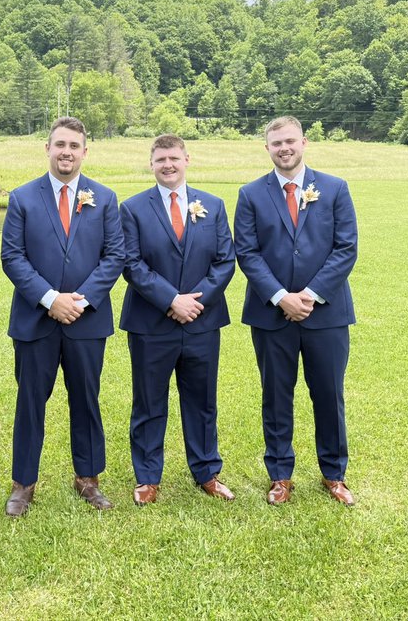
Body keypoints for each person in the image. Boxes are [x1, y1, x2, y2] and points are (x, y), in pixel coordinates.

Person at [0, 117, 124, 516]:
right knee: (31, 401)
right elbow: (13, 257)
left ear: (85, 152)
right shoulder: (22, 198)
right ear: (47, 149)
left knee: (86, 399)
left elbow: (114, 257)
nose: (66, 152)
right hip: (36, 320)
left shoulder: (104, 198)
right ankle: (24, 484)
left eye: (74, 145)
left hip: (87, 322)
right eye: (60, 145)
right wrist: (50, 299)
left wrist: (80, 300)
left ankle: (88, 479)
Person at [234, 116, 359, 507]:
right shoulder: (251, 194)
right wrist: (279, 296)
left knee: (328, 394)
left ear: (304, 142)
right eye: (276, 143)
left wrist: (309, 294)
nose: (284, 148)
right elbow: (248, 253)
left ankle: (334, 474)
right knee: (275, 395)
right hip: (271, 316)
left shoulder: (335, 188)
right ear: (267, 148)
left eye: (290, 141)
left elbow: (346, 247)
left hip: (327, 314)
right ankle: (280, 475)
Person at [119, 135, 236, 506]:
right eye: (160, 159)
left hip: (202, 320)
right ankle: (148, 476)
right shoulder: (133, 208)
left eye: (174, 158)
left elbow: (224, 261)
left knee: (202, 400)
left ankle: (207, 471)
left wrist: (194, 302)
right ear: (150, 164)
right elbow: (131, 264)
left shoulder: (213, 205)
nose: (167, 165)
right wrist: (171, 300)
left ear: (187, 159)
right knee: (149, 401)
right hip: (151, 323)